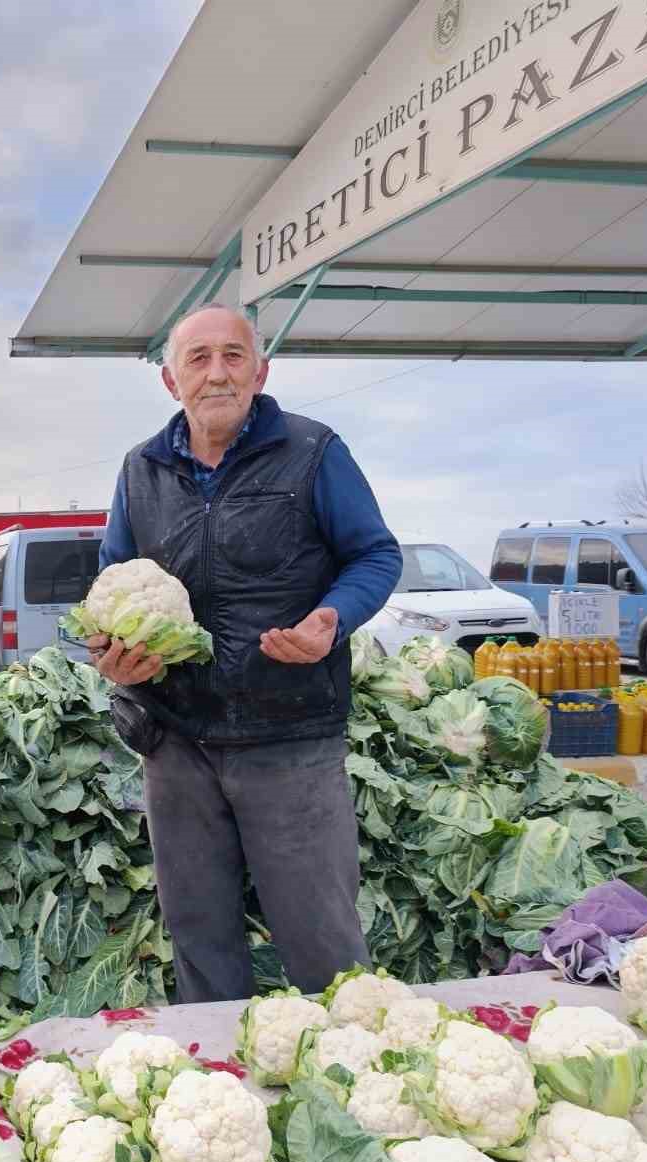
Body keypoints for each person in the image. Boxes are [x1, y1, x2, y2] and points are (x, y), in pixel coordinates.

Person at [90, 302, 401, 1003]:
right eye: (198, 359)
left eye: (234, 356)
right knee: (198, 933)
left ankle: (349, 1071)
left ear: (260, 371)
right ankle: (220, 1071)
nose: (217, 373)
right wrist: (110, 655)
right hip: (178, 744)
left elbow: (376, 555)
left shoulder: (313, 451)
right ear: (172, 381)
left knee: (321, 938)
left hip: (290, 738)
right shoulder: (140, 470)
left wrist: (333, 617)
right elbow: (110, 579)